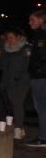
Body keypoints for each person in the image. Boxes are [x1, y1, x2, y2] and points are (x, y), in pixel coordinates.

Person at [0, 28, 30, 141]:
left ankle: (17, 129)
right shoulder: (6, 49)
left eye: (11, 37)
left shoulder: (26, 49)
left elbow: (28, 65)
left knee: (17, 104)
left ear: (18, 37)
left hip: (22, 81)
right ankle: (21, 128)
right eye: (7, 38)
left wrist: (19, 76)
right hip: (9, 81)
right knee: (14, 105)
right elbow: (3, 65)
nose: (9, 40)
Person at [26, 9, 46, 147]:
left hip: (41, 76)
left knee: (42, 107)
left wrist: (35, 69)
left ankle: (43, 138)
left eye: (32, 20)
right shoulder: (39, 35)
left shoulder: (42, 35)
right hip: (41, 75)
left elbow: (43, 56)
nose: (29, 23)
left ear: (41, 20)